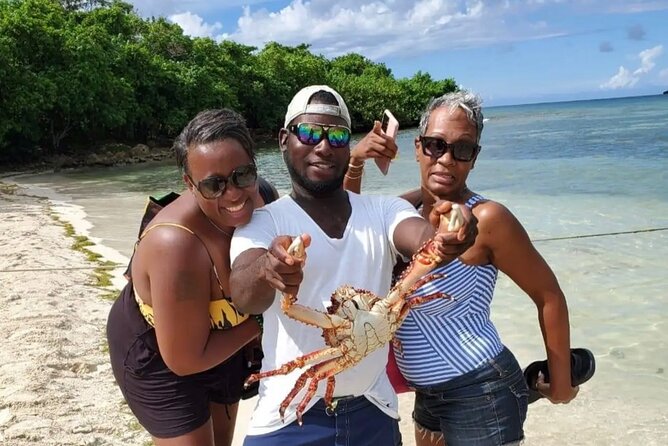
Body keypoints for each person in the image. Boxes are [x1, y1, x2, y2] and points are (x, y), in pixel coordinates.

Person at [228, 85, 478, 445]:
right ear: (284, 139)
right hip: (290, 417)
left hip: (375, 409)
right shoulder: (264, 223)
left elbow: (424, 241)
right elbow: (244, 295)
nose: (324, 146)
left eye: (338, 136)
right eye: (309, 133)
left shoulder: (383, 211)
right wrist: (271, 267)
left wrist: (451, 232)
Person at [348, 90, 579, 446]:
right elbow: (348, 232)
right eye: (436, 145)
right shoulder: (401, 212)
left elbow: (548, 295)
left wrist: (560, 383)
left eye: (462, 149)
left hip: (482, 391)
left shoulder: (488, 219)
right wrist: (355, 162)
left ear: (474, 158)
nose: (446, 159)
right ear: (417, 147)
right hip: (428, 396)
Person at [106, 109, 278, 446]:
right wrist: (262, 320)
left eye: (243, 175)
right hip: (160, 353)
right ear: (189, 184)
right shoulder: (175, 245)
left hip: (227, 340)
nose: (233, 194)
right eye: (214, 184)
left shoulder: (266, 201)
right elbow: (184, 360)